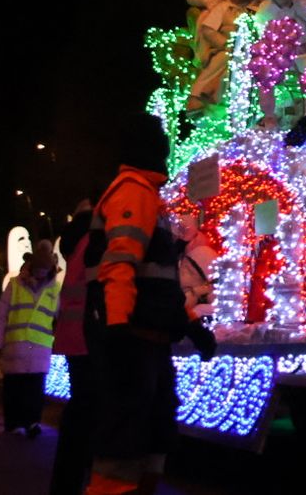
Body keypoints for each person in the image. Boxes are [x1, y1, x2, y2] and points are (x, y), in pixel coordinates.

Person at [87, 113, 214, 495]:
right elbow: (119, 264)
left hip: (149, 340)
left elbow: (161, 279)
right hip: (135, 339)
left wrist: (189, 323)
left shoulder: (147, 197)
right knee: (126, 439)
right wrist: (118, 326)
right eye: (159, 138)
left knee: (154, 433)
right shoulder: (133, 192)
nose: (166, 146)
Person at [49, 200, 101, 495]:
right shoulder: (94, 240)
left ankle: (67, 484)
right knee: (87, 416)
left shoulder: (76, 241)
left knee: (78, 414)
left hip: (73, 337)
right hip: (89, 337)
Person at [0, 238, 60, 438]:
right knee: (14, 388)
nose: (41, 273)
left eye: (44, 269)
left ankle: (32, 422)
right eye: (38, 269)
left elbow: (59, 318)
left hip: (39, 348)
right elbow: (1, 316)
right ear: (32, 266)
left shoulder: (55, 290)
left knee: (34, 390)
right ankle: (14, 423)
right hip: (16, 346)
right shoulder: (15, 285)